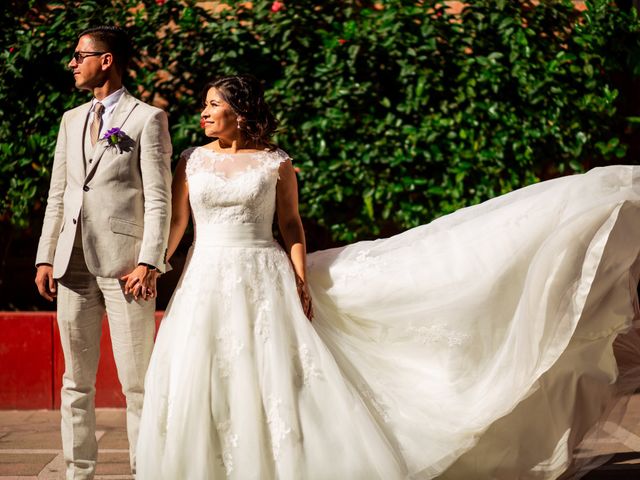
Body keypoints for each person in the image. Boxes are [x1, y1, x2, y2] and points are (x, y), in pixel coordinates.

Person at [136, 74, 640, 479]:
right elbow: (180, 223)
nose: (202, 112)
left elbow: (290, 226)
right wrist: (152, 263)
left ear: (238, 113)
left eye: (212, 104)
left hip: (262, 277)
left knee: (270, 374)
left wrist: (300, 282)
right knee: (202, 370)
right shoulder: (192, 162)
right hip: (205, 278)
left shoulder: (276, 164)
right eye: (204, 105)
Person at [34, 26, 172, 479]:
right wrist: (45, 255)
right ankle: (78, 472)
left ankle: (145, 469)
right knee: (76, 381)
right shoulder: (71, 119)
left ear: (106, 60)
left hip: (127, 267)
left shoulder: (146, 119)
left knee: (138, 383)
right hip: (71, 264)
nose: (72, 63)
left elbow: (159, 197)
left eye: (80, 55)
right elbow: (59, 193)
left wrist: (150, 260)